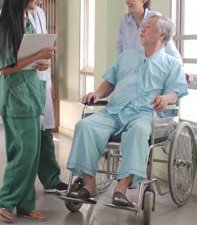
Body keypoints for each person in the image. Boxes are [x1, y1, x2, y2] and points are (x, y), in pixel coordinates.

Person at [66, 15, 188, 207]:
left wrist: (165, 98)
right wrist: (98, 93)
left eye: (148, 27)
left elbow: (175, 92)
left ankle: (121, 189)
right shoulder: (126, 58)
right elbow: (110, 81)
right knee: (85, 125)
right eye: (143, 26)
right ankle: (89, 185)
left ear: (162, 34)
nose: (142, 29)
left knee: (138, 131)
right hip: (114, 111)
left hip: (144, 113)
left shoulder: (172, 64)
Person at [0, 0, 68, 194]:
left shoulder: (39, 12)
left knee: (45, 133)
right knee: (26, 144)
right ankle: (15, 193)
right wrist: (37, 58)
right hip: (20, 84)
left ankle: (50, 180)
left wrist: (45, 63)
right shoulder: (5, 17)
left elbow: (40, 44)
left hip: (39, 80)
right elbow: (7, 60)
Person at [0, 0, 54, 223]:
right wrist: (38, 54)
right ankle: (6, 200)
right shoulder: (8, 24)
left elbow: (24, 61)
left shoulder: (27, 19)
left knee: (32, 154)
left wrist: (40, 59)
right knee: (23, 153)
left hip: (31, 95)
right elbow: (6, 67)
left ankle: (26, 205)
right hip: (17, 99)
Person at [116, 0, 194, 83]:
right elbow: (120, 47)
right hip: (129, 73)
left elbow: (169, 46)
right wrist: (119, 68)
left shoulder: (155, 19)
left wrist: (181, 71)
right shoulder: (124, 20)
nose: (127, 1)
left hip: (150, 73)